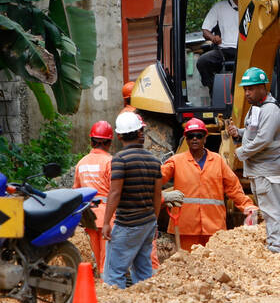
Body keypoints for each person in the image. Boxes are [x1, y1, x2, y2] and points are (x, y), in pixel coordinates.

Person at [161, 118, 257, 251]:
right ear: (186, 139)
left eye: (199, 136)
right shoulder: (176, 162)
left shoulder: (218, 161)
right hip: (186, 228)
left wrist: (248, 207)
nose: (195, 139)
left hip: (213, 227)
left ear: (205, 138)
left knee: (213, 264)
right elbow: (156, 179)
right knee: (188, 266)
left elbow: (233, 188)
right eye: (191, 136)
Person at [226, 68, 280, 256]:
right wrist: (240, 133)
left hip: (268, 170)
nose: (247, 93)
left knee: (273, 211)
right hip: (259, 170)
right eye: (245, 89)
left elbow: (263, 139)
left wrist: (241, 152)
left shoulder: (270, 110)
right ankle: (274, 246)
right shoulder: (257, 109)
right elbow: (254, 132)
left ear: (263, 87)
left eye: (251, 89)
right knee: (268, 210)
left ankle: (277, 250)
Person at [101, 111, 164, 288]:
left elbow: (115, 193)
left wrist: (106, 222)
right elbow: (157, 195)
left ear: (119, 135)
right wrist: (155, 222)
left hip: (127, 224)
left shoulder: (120, 159)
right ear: (139, 133)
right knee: (144, 271)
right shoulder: (154, 161)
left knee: (114, 274)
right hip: (147, 223)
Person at [74, 120, 113, 275]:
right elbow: (115, 191)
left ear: (91, 141)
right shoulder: (109, 162)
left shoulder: (81, 163)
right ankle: (107, 286)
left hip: (88, 214)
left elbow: (76, 191)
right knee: (107, 258)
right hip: (107, 216)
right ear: (109, 142)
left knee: (97, 257)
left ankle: (100, 288)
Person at [198, 0, 240, 101]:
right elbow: (205, 30)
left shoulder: (252, 7)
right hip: (223, 50)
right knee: (203, 61)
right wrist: (213, 38)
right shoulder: (220, 6)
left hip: (245, 50)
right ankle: (213, 88)